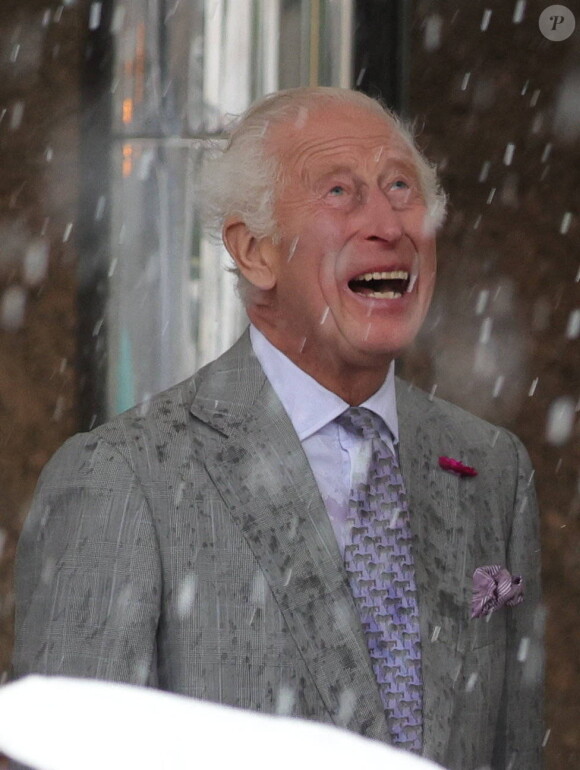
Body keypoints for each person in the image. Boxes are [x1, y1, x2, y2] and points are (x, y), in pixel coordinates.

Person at [12, 88, 543, 770]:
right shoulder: (124, 475)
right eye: (341, 192)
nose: (388, 223)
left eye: (401, 187)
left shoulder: (492, 467)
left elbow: (517, 749)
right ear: (254, 250)